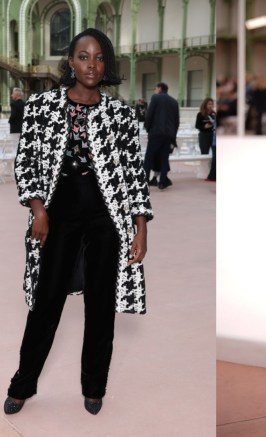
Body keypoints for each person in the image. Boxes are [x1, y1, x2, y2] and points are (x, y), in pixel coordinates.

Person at [4, 28, 153, 416]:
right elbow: (27, 163)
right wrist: (38, 210)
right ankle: (23, 384)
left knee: (101, 308)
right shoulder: (42, 107)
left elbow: (134, 175)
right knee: (46, 303)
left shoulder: (119, 113)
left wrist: (140, 226)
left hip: (107, 221)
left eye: (100, 57)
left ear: (108, 65)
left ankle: (94, 386)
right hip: (57, 219)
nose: (92, 64)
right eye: (84, 56)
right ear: (70, 61)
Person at [144, 81, 179, 190]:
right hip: (168, 135)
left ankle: (144, 180)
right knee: (164, 158)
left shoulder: (156, 98)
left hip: (156, 133)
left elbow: (150, 114)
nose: (155, 90)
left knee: (148, 158)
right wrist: (173, 135)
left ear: (159, 88)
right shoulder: (174, 101)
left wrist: (147, 128)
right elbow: (176, 121)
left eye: (155, 88)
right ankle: (162, 182)